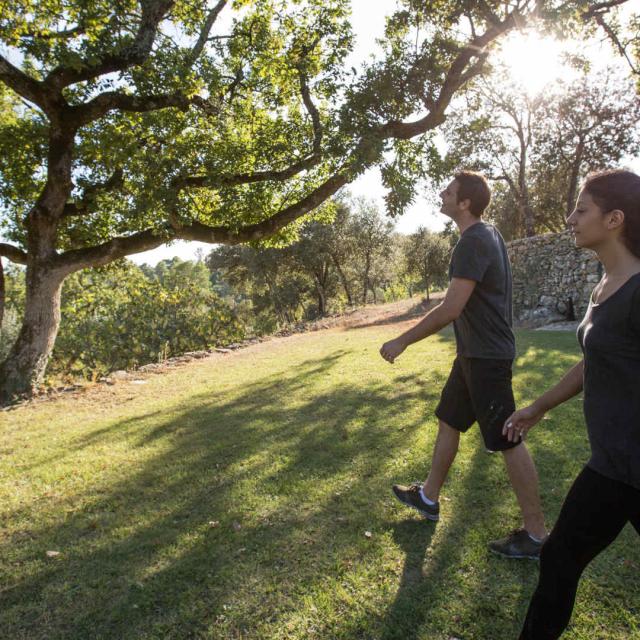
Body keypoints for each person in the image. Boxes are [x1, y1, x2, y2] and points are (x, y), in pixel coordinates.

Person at [380, 171, 547, 558]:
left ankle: (537, 536)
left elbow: (451, 308)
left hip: (487, 357)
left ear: (465, 202)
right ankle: (428, 497)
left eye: (448, 190)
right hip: (473, 354)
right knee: (450, 420)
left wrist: (401, 340)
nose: (442, 193)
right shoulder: (488, 234)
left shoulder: (472, 241)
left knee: (509, 437)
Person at [505, 169, 640, 639]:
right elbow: (593, 364)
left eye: (582, 209)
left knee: (560, 557)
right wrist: (538, 406)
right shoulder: (604, 287)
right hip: (615, 465)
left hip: (630, 464)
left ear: (616, 219)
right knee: (561, 558)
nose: (569, 218)